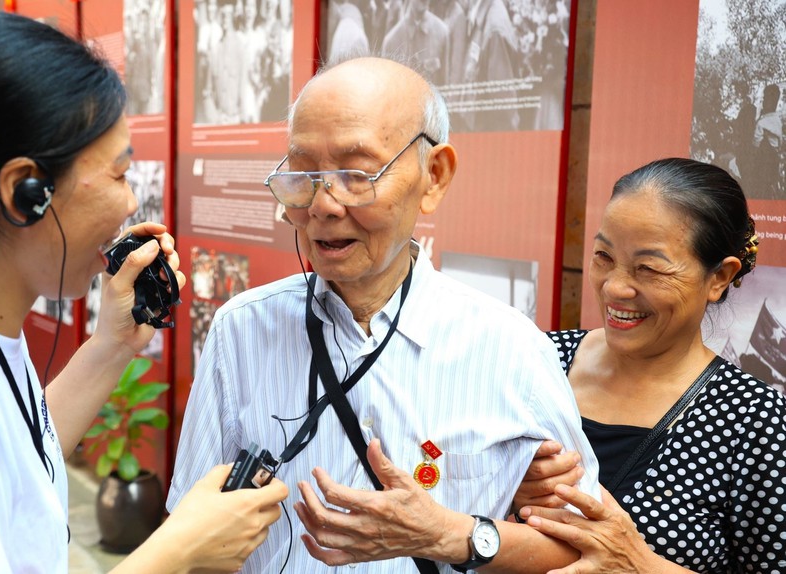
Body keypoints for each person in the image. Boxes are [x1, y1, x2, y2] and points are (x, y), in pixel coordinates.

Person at [168, 55, 602, 573]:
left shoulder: (511, 349)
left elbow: (587, 552)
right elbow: (186, 536)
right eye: (304, 174)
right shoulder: (242, 329)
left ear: (433, 177)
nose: (323, 205)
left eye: (355, 174)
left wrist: (453, 535)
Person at [0, 11, 287, 573]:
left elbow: (18, 460)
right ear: (25, 192)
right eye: (120, 176)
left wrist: (114, 344)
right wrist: (181, 549)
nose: (128, 205)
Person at [513, 158, 786, 572]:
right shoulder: (535, 362)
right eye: (604, 256)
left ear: (719, 278)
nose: (615, 287)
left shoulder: (754, 421)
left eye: (649, 268)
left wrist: (638, 564)